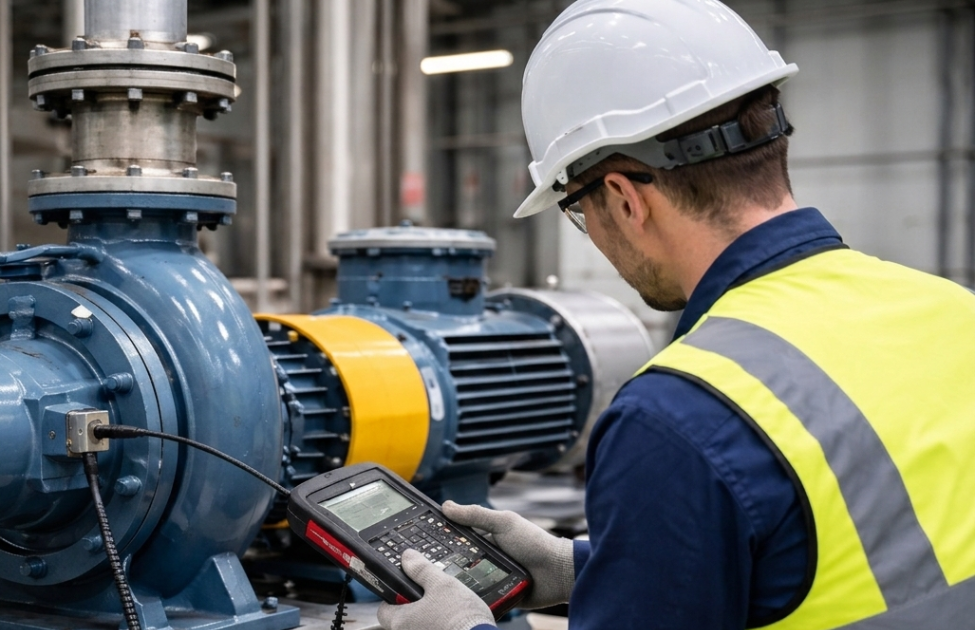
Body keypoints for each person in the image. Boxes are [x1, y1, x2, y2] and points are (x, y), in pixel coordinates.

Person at [376, 1, 975, 629]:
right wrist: (590, 565)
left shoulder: (678, 420)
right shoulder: (950, 309)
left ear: (624, 198)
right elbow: (856, 546)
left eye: (576, 210)